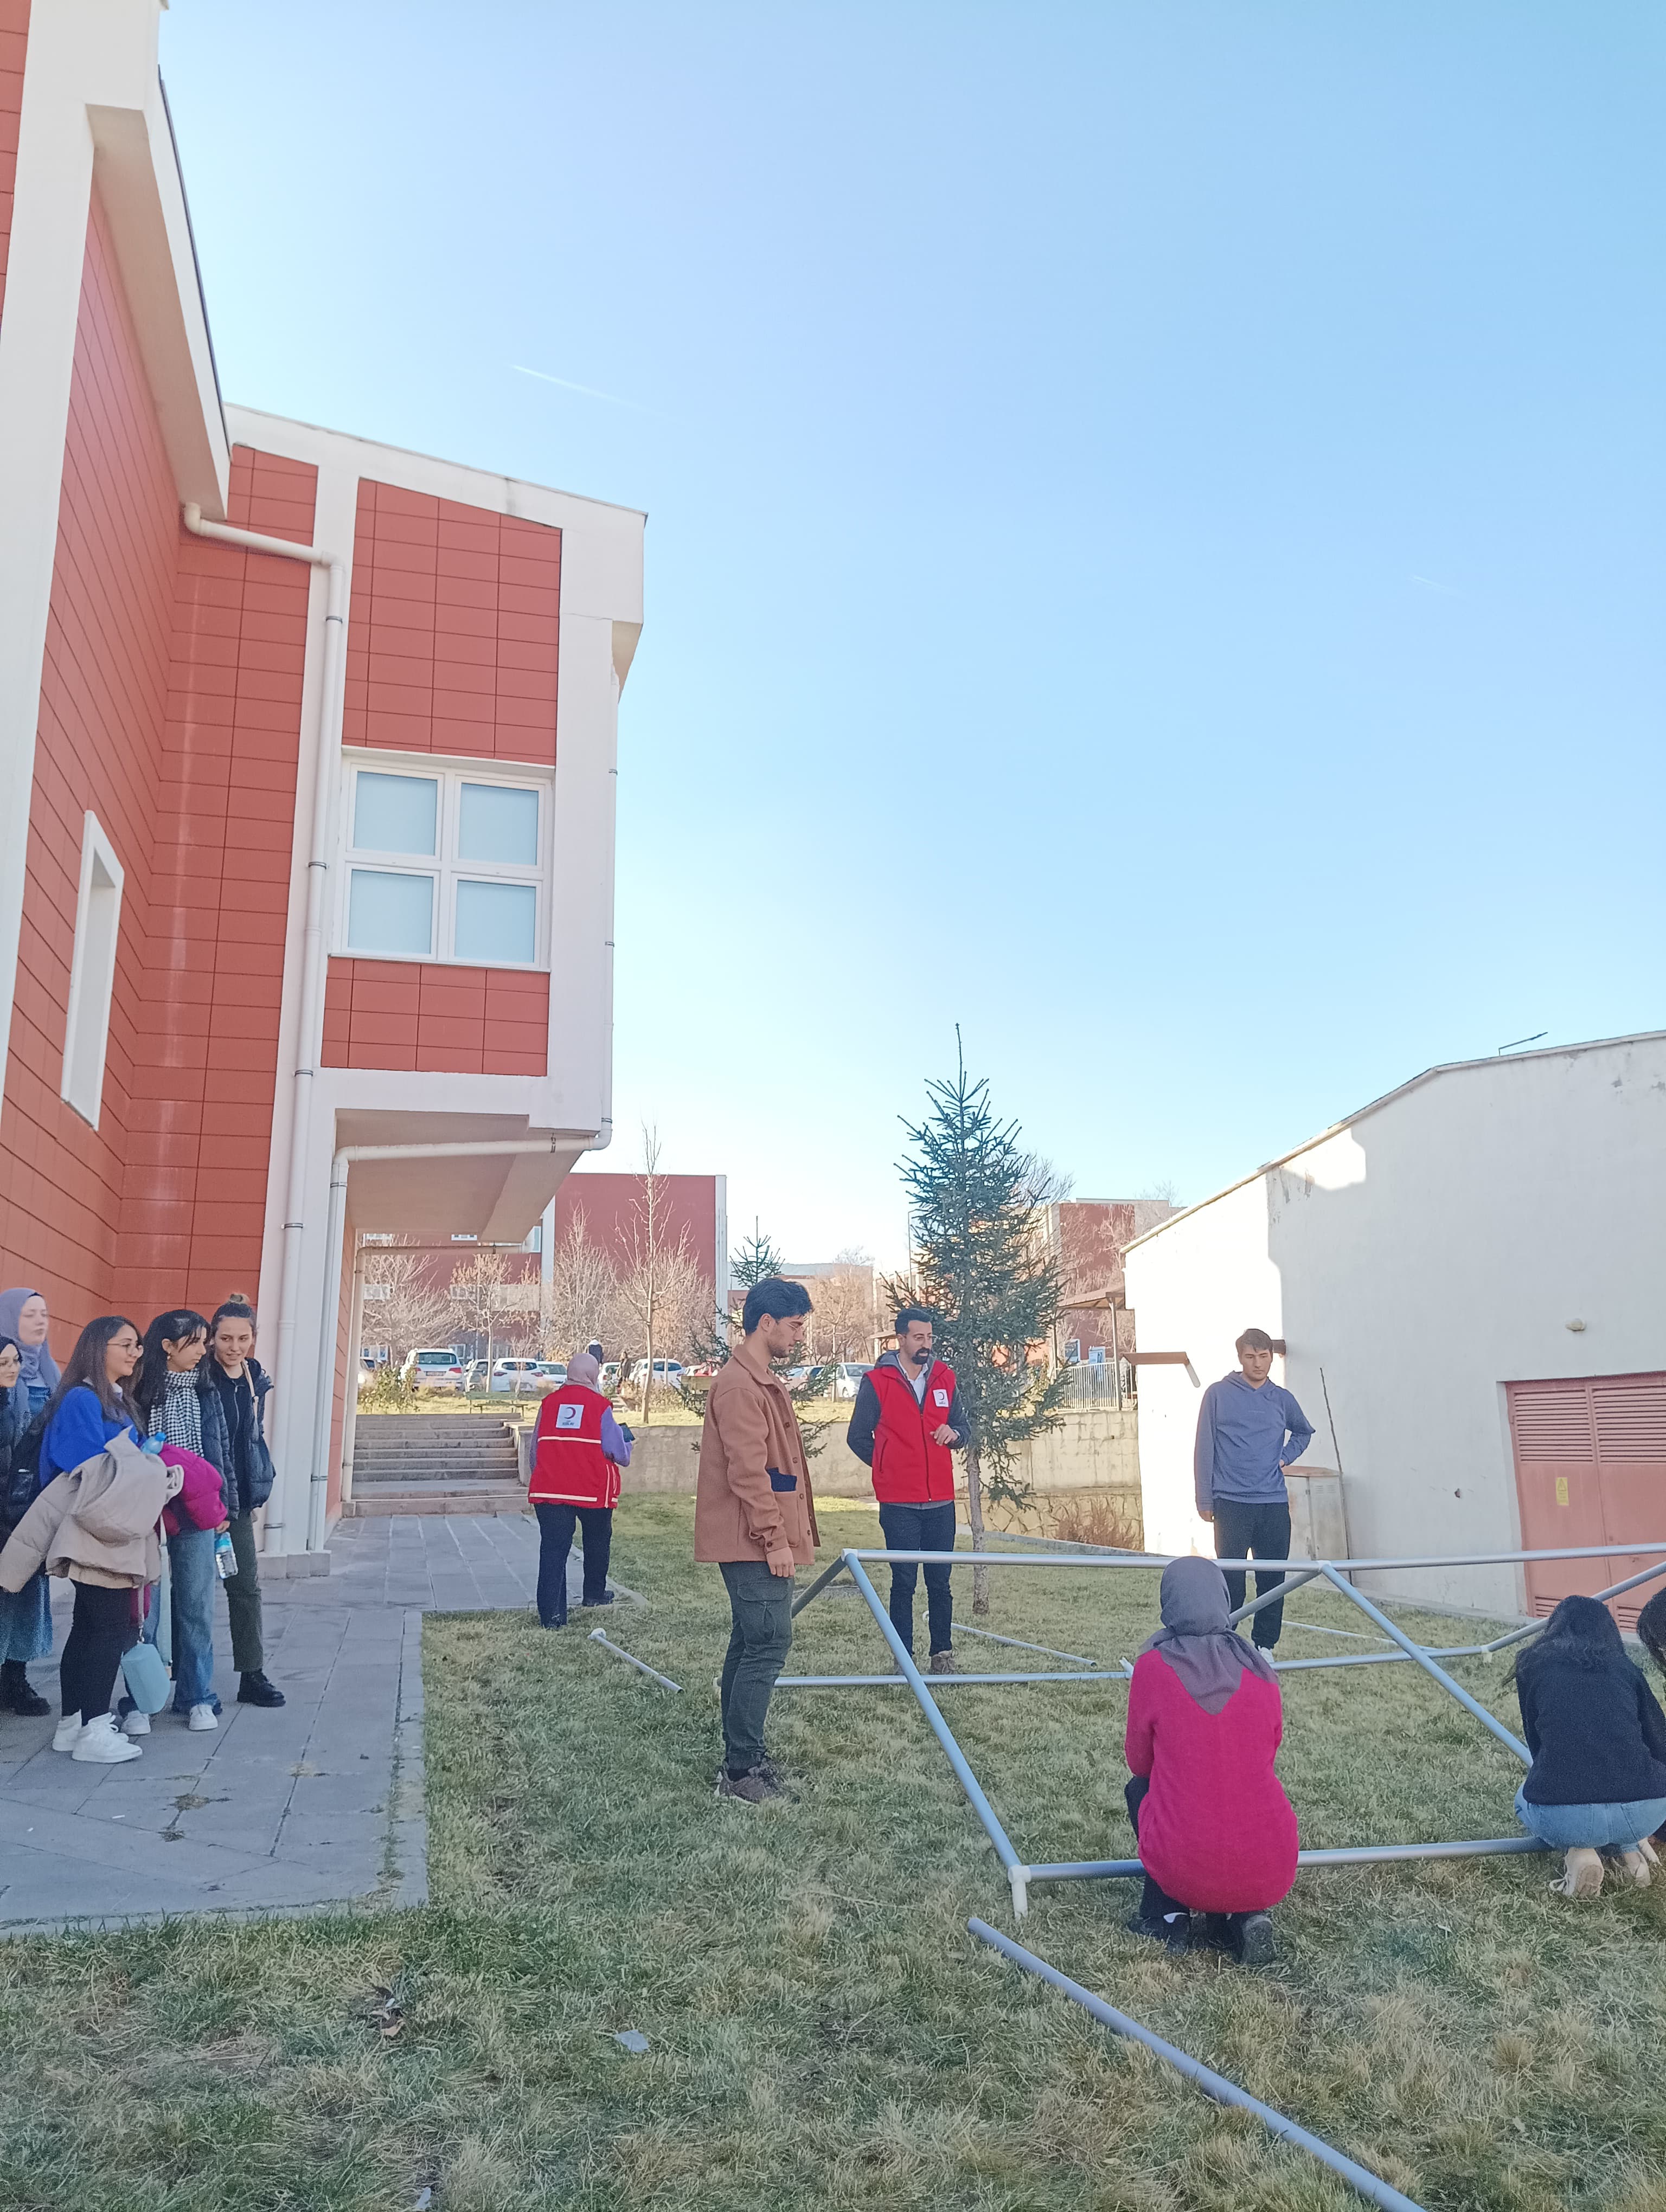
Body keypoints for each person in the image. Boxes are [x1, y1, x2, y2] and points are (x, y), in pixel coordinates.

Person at [0, 1314, 171, 1764]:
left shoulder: (111, 1397)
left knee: (91, 1626)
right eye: (126, 1345)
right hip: (96, 1529)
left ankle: (74, 1725)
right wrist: (144, 1464)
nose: (135, 1354)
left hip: (104, 1528)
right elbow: (86, 1465)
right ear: (99, 1349)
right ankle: (95, 1728)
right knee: (107, 1629)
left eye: (137, 1346)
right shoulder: (82, 1398)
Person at [1123, 1555, 1298, 1961]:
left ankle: (1167, 1915)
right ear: (1224, 1599)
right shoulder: (1260, 1668)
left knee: (1140, 1790)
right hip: (1273, 1863)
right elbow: (1271, 1747)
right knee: (1241, 1788)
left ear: (1169, 1602)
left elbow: (1140, 1764)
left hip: (1185, 1861)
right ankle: (1244, 1914)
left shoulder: (1153, 1666)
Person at [695, 1276, 817, 1803]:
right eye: (794, 1325)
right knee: (768, 1643)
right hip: (753, 1540)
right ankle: (742, 1770)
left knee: (750, 1642)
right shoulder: (741, 1386)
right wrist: (775, 1540)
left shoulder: (755, 1379)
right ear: (766, 1323)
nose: (799, 1336)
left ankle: (739, 1760)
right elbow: (749, 1475)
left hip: (754, 1537)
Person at [1511, 1594, 1666, 1897]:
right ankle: (1629, 1852)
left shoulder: (1532, 1666)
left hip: (1566, 1816)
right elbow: (1658, 1738)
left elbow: (1537, 1745)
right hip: (1645, 1812)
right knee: (1620, 1785)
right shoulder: (1626, 1669)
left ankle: (1580, 1853)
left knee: (1522, 1799)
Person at [847, 1305, 971, 1675]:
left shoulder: (945, 1377)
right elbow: (857, 1437)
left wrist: (955, 1434)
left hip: (941, 1502)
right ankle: (903, 1660)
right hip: (899, 1503)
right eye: (919, 1337)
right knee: (903, 1582)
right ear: (900, 1339)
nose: (926, 1344)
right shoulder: (877, 1382)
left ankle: (942, 1656)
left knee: (940, 1583)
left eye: (929, 1337)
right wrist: (888, 1467)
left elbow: (963, 1428)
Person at [129, 1310, 229, 1734]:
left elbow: (218, 1449)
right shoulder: (137, 1390)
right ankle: (141, 1701)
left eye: (204, 1341)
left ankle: (197, 1697)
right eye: (194, 1342)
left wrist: (224, 1506)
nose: (203, 1350)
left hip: (197, 1509)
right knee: (144, 1613)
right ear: (167, 1346)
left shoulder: (206, 1389)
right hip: (147, 1510)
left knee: (196, 1607)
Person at [1193, 1327, 1313, 1650]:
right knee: (1231, 1582)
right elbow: (1204, 1447)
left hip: (1273, 1504)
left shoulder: (1283, 1399)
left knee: (1273, 1581)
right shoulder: (1218, 1395)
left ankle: (1265, 1647)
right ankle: (1225, 1642)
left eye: (1263, 1356)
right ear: (1240, 1358)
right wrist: (1204, 1498)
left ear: (1271, 1358)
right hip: (1230, 1502)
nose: (1258, 1363)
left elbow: (1303, 1432)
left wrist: (1285, 1457)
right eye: (1250, 1357)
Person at [201, 1297, 284, 1708]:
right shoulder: (200, 1377)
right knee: (192, 1593)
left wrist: (251, 1492)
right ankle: (189, 1681)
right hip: (200, 1499)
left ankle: (252, 1674)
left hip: (238, 1503)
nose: (234, 1347)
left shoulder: (254, 1378)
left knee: (245, 1587)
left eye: (243, 1338)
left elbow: (251, 1437)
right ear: (212, 1338)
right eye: (226, 1338)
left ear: (253, 1338)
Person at [528, 1350, 633, 1626]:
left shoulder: (548, 1404)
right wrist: (628, 1446)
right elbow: (618, 1452)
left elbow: (535, 1450)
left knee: (553, 1551)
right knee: (597, 1541)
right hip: (591, 1489)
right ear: (592, 1375)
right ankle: (594, 1594)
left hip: (550, 1491)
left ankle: (552, 1616)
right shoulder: (600, 1406)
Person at [0, 1288, 59, 1714]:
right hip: (5, 1499)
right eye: (29, 1315)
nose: (40, 1322)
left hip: (36, 1504)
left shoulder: (53, 1377)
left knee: (27, 1590)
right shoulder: (6, 1371)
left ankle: (15, 1679)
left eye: (44, 1314)